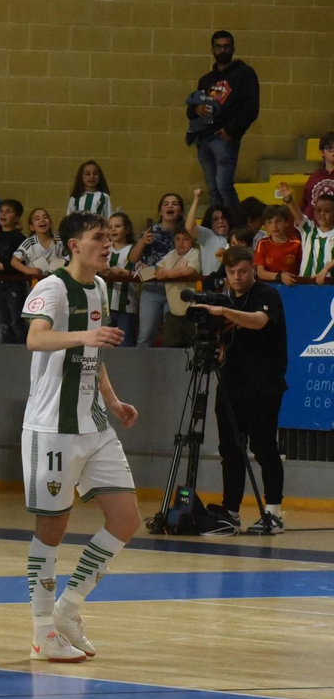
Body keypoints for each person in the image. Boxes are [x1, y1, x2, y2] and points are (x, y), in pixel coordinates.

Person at [19, 211, 141, 663]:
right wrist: (86, 334)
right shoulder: (51, 287)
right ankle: (40, 633)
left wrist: (112, 400)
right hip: (52, 428)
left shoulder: (102, 288)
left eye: (109, 237)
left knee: (126, 519)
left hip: (94, 424)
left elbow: (94, 352)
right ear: (73, 244)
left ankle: (69, 608)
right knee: (52, 531)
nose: (106, 243)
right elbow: (36, 340)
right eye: (96, 237)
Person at [194, 247, 289, 536]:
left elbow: (259, 322)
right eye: (231, 272)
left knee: (264, 448)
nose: (237, 277)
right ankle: (231, 511)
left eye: (243, 271)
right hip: (231, 383)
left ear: (253, 269)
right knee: (231, 450)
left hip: (264, 384)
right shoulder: (224, 298)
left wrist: (224, 312)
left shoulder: (266, 295)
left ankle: (273, 512)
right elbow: (226, 346)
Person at [185, 30, 260, 209]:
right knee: (213, 190)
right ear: (212, 49)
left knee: (223, 186)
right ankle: (218, 229)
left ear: (233, 48)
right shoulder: (206, 80)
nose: (222, 50)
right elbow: (190, 110)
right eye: (218, 47)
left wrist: (231, 130)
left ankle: (235, 225)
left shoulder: (244, 73)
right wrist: (197, 108)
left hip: (224, 138)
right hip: (204, 139)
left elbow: (251, 108)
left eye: (226, 46)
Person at [133, 193, 184, 347]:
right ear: (160, 210)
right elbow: (133, 258)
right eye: (166, 203)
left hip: (174, 289)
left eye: (174, 203)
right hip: (151, 288)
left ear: (180, 211)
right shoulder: (151, 231)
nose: (170, 206)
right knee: (146, 335)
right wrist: (142, 242)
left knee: (172, 337)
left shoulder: (184, 233)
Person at [0, 200, 28, 343]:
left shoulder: (20, 238)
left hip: (14, 284)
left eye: (8, 211)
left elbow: (21, 263)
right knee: (3, 321)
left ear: (16, 218)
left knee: (16, 320)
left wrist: (4, 267)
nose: (3, 214)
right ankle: (7, 350)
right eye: (1, 211)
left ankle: (21, 349)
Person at [152, 227, 202, 348]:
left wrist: (168, 273)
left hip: (191, 309)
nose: (181, 242)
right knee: (170, 345)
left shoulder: (194, 253)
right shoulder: (170, 255)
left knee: (193, 345)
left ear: (193, 241)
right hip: (173, 310)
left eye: (186, 239)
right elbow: (158, 268)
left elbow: (190, 270)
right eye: (178, 239)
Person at [101, 212, 140, 346]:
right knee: (105, 343)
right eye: (110, 227)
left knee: (125, 344)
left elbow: (144, 272)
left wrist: (126, 273)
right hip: (106, 305)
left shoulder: (134, 250)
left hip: (127, 305)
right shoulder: (104, 249)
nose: (113, 230)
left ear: (127, 229)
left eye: (117, 226)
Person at [282, 191, 334, 284]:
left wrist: (325, 270)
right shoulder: (309, 230)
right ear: (314, 211)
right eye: (318, 210)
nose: (322, 213)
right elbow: (297, 214)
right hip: (305, 284)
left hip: (329, 285)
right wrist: (289, 200)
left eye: (327, 211)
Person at [253, 206, 303, 286]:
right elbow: (260, 273)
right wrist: (280, 277)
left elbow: (303, 269)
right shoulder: (262, 244)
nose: (274, 226)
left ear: (286, 222)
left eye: (278, 221)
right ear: (265, 225)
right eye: (270, 222)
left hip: (292, 285)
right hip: (269, 286)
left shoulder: (296, 243)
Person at [10, 208, 63, 280]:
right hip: (35, 284)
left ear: (50, 224)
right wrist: (28, 270)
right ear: (32, 227)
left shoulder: (60, 241)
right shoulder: (29, 242)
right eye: (37, 219)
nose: (42, 220)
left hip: (57, 283)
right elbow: (14, 261)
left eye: (45, 217)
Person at [297, 132, 334, 218]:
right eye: (329, 148)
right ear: (322, 152)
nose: (333, 152)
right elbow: (306, 203)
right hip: (316, 227)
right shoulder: (314, 178)